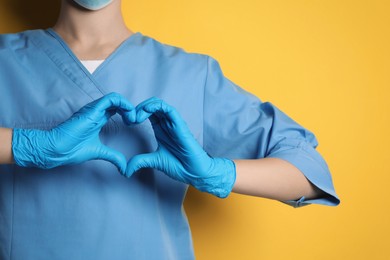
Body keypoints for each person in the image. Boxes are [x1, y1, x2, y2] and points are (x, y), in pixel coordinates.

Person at [0, 0, 340, 259]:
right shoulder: (5, 61)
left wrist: (215, 173)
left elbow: (308, 172)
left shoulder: (190, 75)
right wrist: (22, 145)